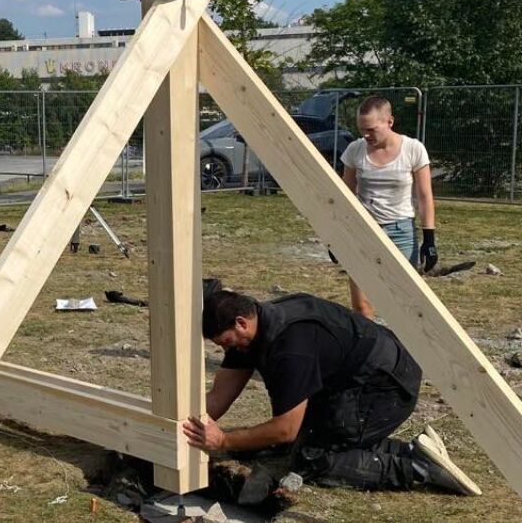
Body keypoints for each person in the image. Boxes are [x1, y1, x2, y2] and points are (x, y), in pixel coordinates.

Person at [182, 284, 480, 496]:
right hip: (355, 377)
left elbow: (285, 428)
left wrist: (223, 440)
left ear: (241, 322)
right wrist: (181, 426)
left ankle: (417, 469)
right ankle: (416, 451)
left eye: (226, 342)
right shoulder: (253, 331)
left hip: (386, 386)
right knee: (306, 440)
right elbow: (219, 397)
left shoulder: (290, 347)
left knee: (312, 459)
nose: (226, 349)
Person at [340, 95, 437, 318]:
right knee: (362, 306)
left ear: (389, 122)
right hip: (363, 231)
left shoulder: (413, 149)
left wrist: (429, 238)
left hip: (400, 232)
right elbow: (346, 194)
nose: (366, 135)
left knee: (404, 304)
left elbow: (424, 196)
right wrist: (337, 236)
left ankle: (403, 351)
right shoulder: (355, 150)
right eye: (362, 129)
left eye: (371, 129)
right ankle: (372, 350)